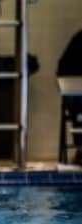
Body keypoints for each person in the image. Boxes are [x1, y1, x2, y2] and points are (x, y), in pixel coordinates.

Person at [57, 28, 82, 164]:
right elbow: (63, 71)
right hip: (76, 93)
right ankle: (80, 150)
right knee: (79, 108)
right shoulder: (79, 40)